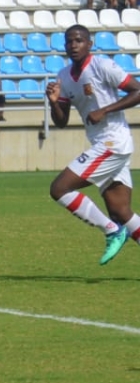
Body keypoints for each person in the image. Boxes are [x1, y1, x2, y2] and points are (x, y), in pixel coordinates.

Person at [47, 24, 140, 266]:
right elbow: (61, 122)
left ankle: (111, 231)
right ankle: (116, 225)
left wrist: (105, 110)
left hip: (113, 142)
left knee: (59, 189)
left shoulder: (102, 66)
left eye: (78, 40)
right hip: (104, 143)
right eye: (69, 41)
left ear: (89, 44)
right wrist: (53, 102)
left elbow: (137, 91)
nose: (73, 45)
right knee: (120, 210)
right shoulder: (65, 76)